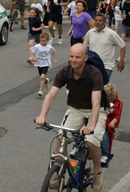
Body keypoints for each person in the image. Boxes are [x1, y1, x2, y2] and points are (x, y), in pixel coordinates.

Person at [35, 43, 107, 192]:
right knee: (61, 138)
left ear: (85, 58)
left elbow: (96, 102)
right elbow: (50, 96)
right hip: (75, 109)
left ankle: (97, 171)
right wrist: (42, 116)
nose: (73, 60)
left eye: (77, 57)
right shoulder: (65, 72)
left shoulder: (94, 74)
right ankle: (57, 173)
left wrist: (91, 126)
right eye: (71, 56)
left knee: (91, 143)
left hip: (97, 110)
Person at [84, 13, 126, 80]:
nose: (97, 22)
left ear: (105, 22)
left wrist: (121, 60)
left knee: (101, 86)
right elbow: (85, 47)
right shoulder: (90, 33)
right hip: (92, 65)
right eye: (96, 20)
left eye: (100, 20)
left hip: (106, 66)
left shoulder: (111, 33)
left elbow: (122, 46)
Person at [29, 33, 57, 97]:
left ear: (47, 40)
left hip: (46, 63)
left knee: (42, 77)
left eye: (44, 40)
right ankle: (46, 81)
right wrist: (33, 57)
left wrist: (54, 59)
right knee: (42, 77)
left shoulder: (49, 47)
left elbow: (53, 52)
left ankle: (40, 90)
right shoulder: (37, 46)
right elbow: (31, 51)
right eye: (41, 40)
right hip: (39, 63)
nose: (42, 42)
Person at [101, 83, 122, 166]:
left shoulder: (112, 107)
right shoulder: (99, 104)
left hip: (105, 128)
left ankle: (105, 154)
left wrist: (113, 122)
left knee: (104, 138)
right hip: (97, 125)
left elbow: (117, 115)